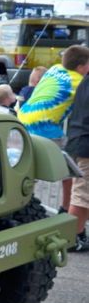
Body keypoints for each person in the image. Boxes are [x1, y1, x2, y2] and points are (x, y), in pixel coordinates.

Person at [18, 45, 89, 212]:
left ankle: (23, 203)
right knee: (70, 167)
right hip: (44, 125)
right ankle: (65, 208)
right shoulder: (78, 82)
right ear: (80, 67)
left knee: (29, 165)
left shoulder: (55, 69)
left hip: (24, 118)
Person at [65, 74, 89, 252]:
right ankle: (70, 239)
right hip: (85, 144)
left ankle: (77, 234)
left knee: (84, 194)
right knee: (82, 195)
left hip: (79, 140)